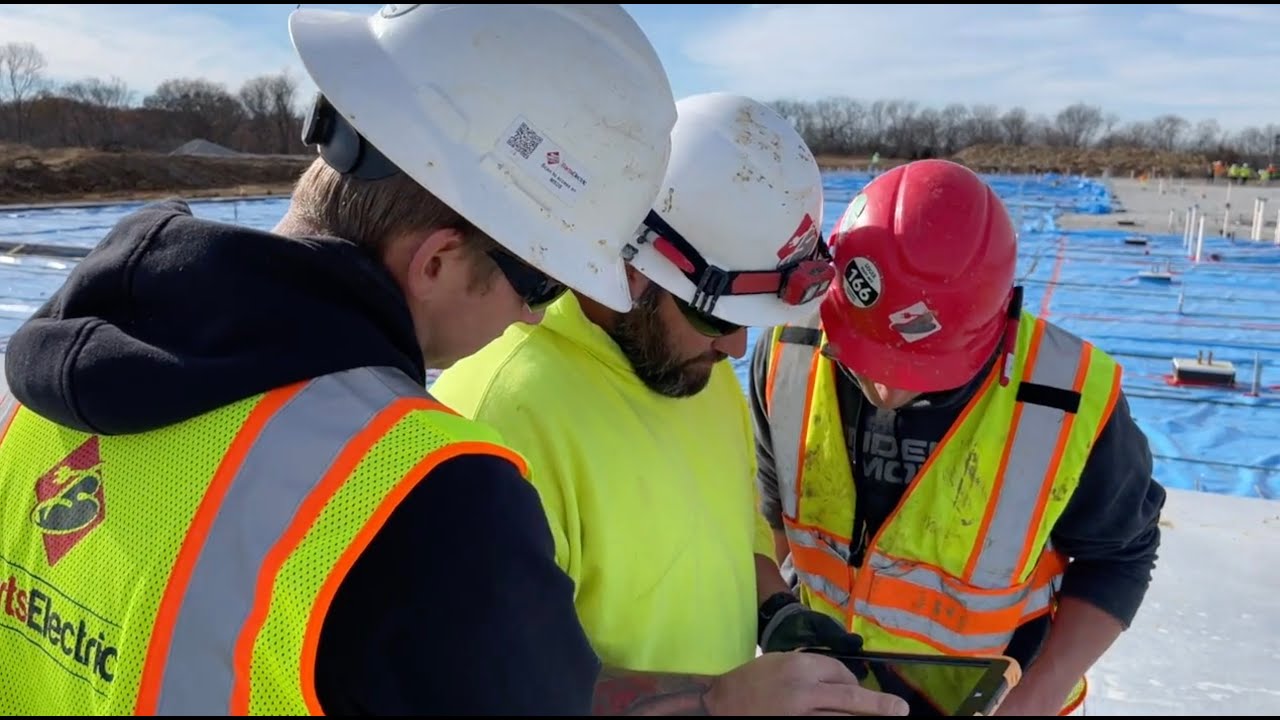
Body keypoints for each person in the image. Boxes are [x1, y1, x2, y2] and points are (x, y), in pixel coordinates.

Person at [0, 5, 865, 716]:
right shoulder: (419, 493)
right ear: (441, 260)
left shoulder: (25, 396)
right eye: (537, 274)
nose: (539, 310)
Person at [431, 93, 908, 717]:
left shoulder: (691, 376)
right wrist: (711, 703)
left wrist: (779, 613)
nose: (737, 348)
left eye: (749, 320)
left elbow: (737, 544)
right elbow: (478, 688)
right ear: (629, 267)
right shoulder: (495, 418)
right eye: (716, 315)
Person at [749, 159, 1167, 716]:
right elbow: (772, 521)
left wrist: (1036, 696)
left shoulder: (1065, 399)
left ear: (993, 328)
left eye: (915, 367)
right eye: (863, 352)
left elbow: (1120, 558)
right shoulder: (788, 356)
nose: (883, 387)